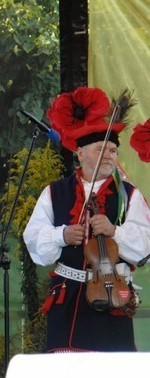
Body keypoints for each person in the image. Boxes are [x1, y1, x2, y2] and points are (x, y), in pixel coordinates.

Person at [23, 86, 150, 352]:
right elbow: (33, 238)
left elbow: (145, 247)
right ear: (80, 154)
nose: (109, 156)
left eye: (113, 151)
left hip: (112, 296)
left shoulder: (129, 194)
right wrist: (61, 235)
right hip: (67, 298)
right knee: (66, 369)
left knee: (110, 369)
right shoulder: (55, 191)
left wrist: (115, 231)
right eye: (101, 149)